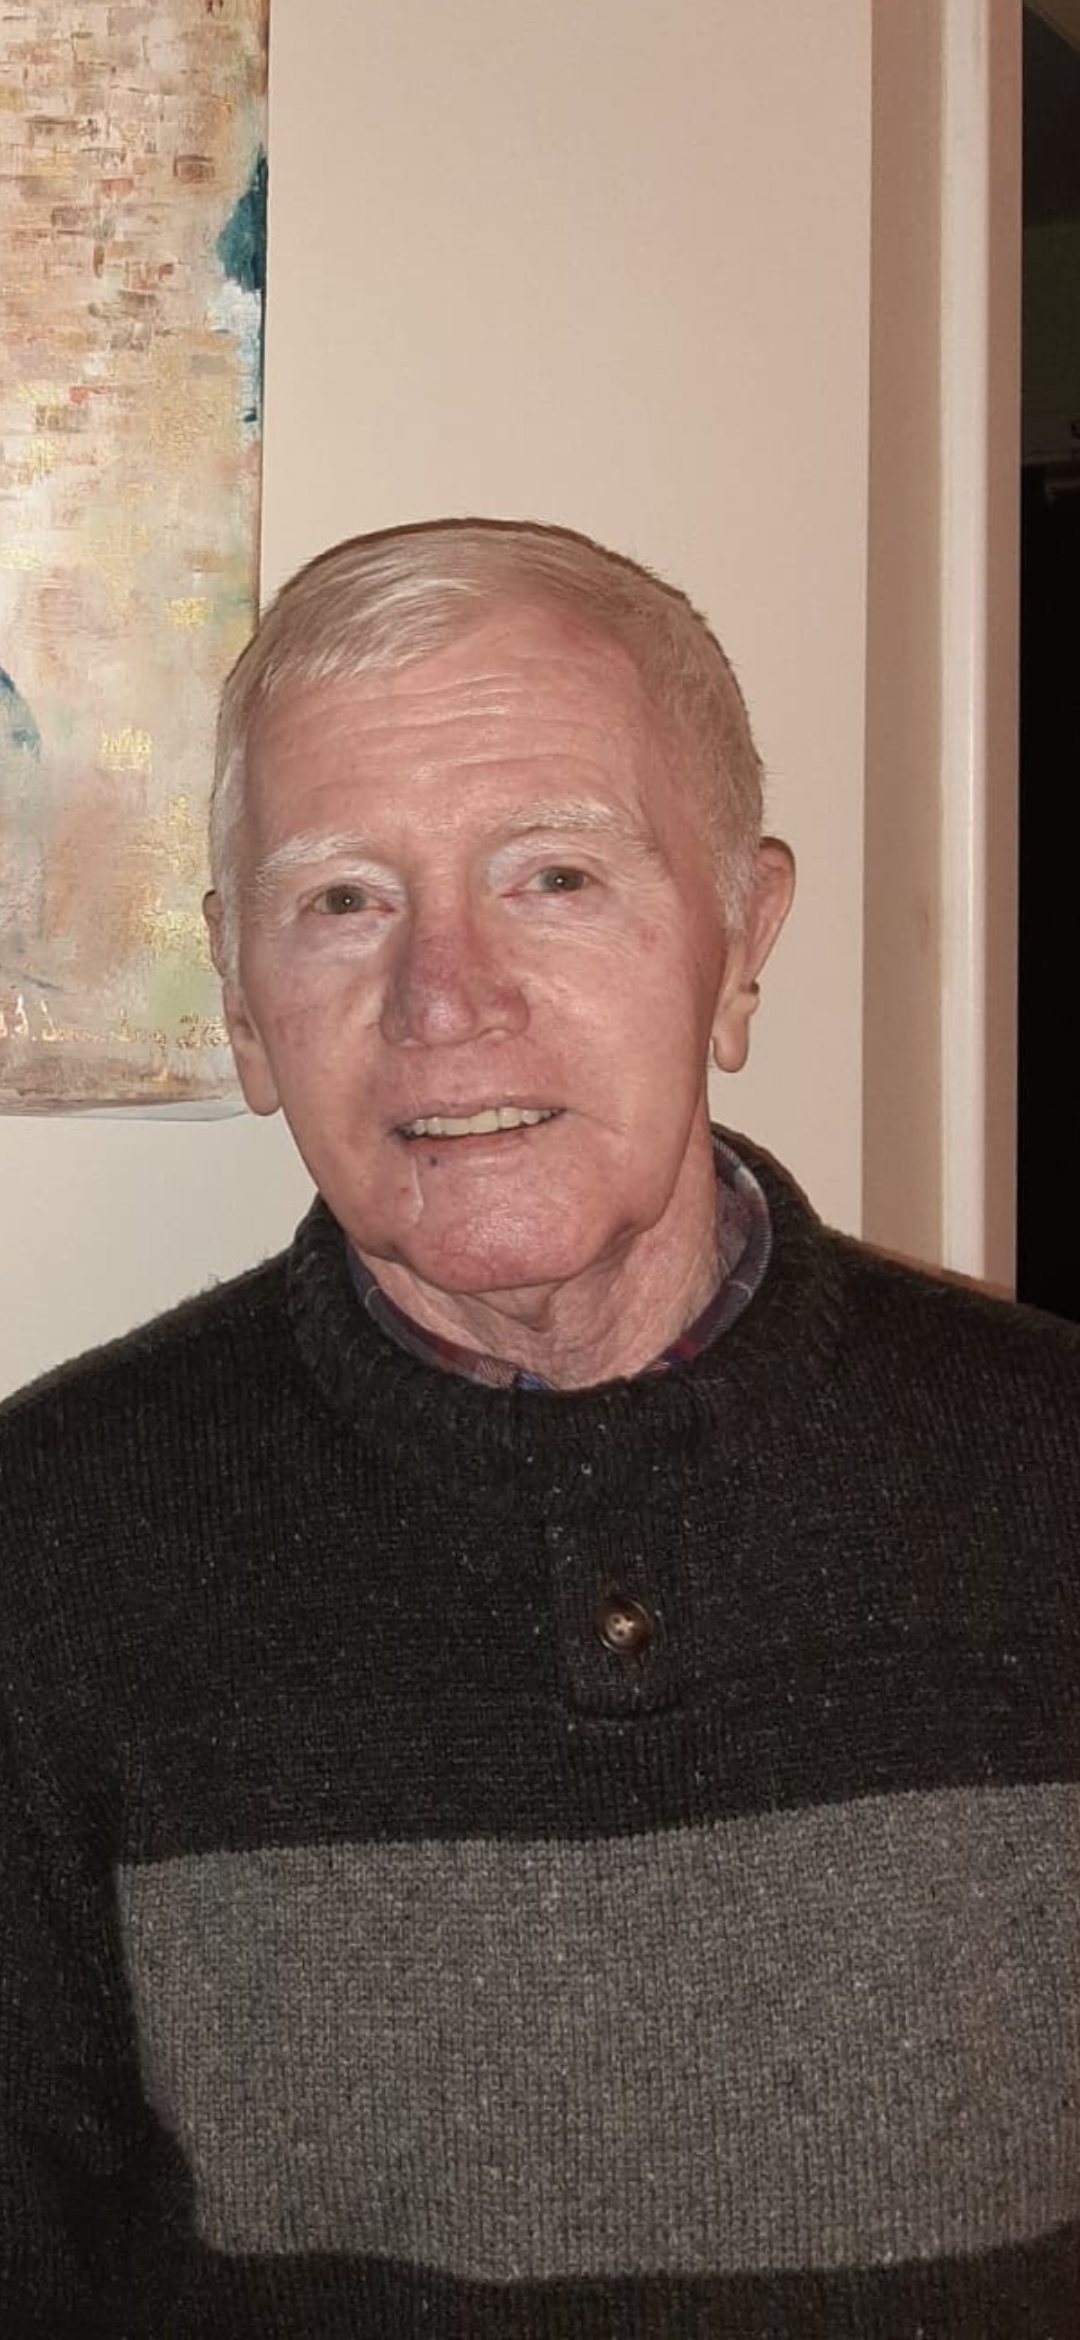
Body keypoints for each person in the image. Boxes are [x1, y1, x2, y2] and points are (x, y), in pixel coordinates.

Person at [1, 518, 1078, 2340]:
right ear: (243, 1005)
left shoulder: (1052, 1477)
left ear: (741, 942)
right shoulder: (44, 1558)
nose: (447, 998)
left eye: (555, 876)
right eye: (342, 900)